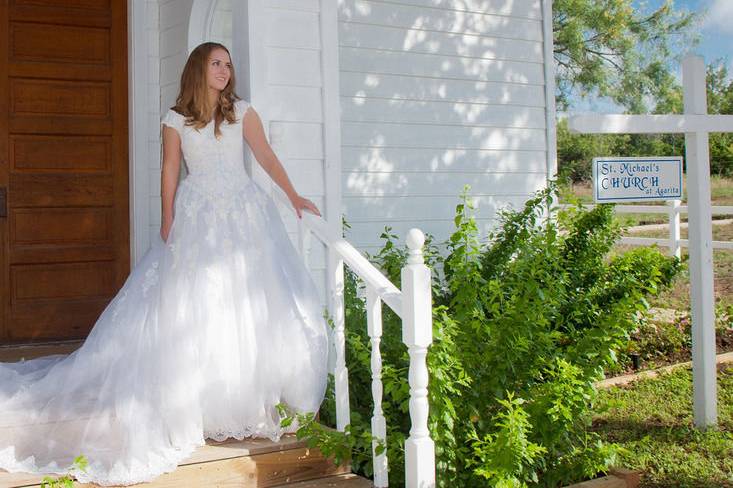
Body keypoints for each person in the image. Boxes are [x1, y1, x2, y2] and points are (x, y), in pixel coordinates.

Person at [0, 42, 331, 486]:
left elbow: (266, 158)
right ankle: (203, 402)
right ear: (199, 69)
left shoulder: (243, 113)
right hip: (198, 217)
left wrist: (293, 196)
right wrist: (169, 218)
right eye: (217, 63)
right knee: (200, 304)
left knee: (246, 304)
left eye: (228, 65)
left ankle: (248, 405)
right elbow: (170, 170)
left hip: (243, 214)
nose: (225, 71)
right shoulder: (176, 119)